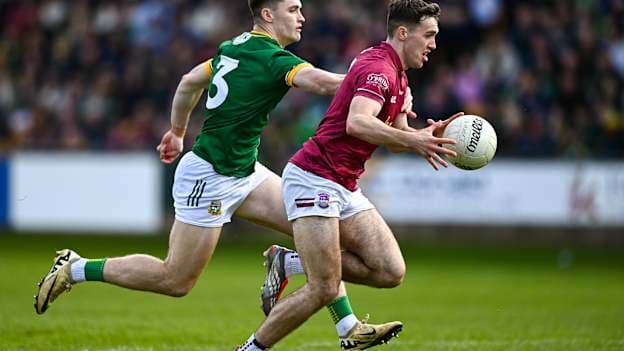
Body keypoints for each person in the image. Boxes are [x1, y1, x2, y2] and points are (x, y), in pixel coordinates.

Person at [34, 0, 404, 349]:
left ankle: (346, 325)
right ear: (267, 15)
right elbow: (325, 84)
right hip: (210, 176)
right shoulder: (273, 58)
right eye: (293, 9)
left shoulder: (234, 47)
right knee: (175, 279)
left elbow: (188, 82)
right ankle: (77, 268)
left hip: (245, 172)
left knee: (320, 227)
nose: (302, 16)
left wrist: (177, 132)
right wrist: (378, 82)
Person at [237, 0, 463, 350]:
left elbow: (396, 138)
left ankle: (290, 261)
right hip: (315, 176)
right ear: (403, 33)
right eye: (429, 35)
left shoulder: (398, 76)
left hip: (343, 183)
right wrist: (411, 138)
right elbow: (357, 122)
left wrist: (422, 137)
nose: (433, 43)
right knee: (323, 286)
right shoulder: (380, 70)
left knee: (390, 271)